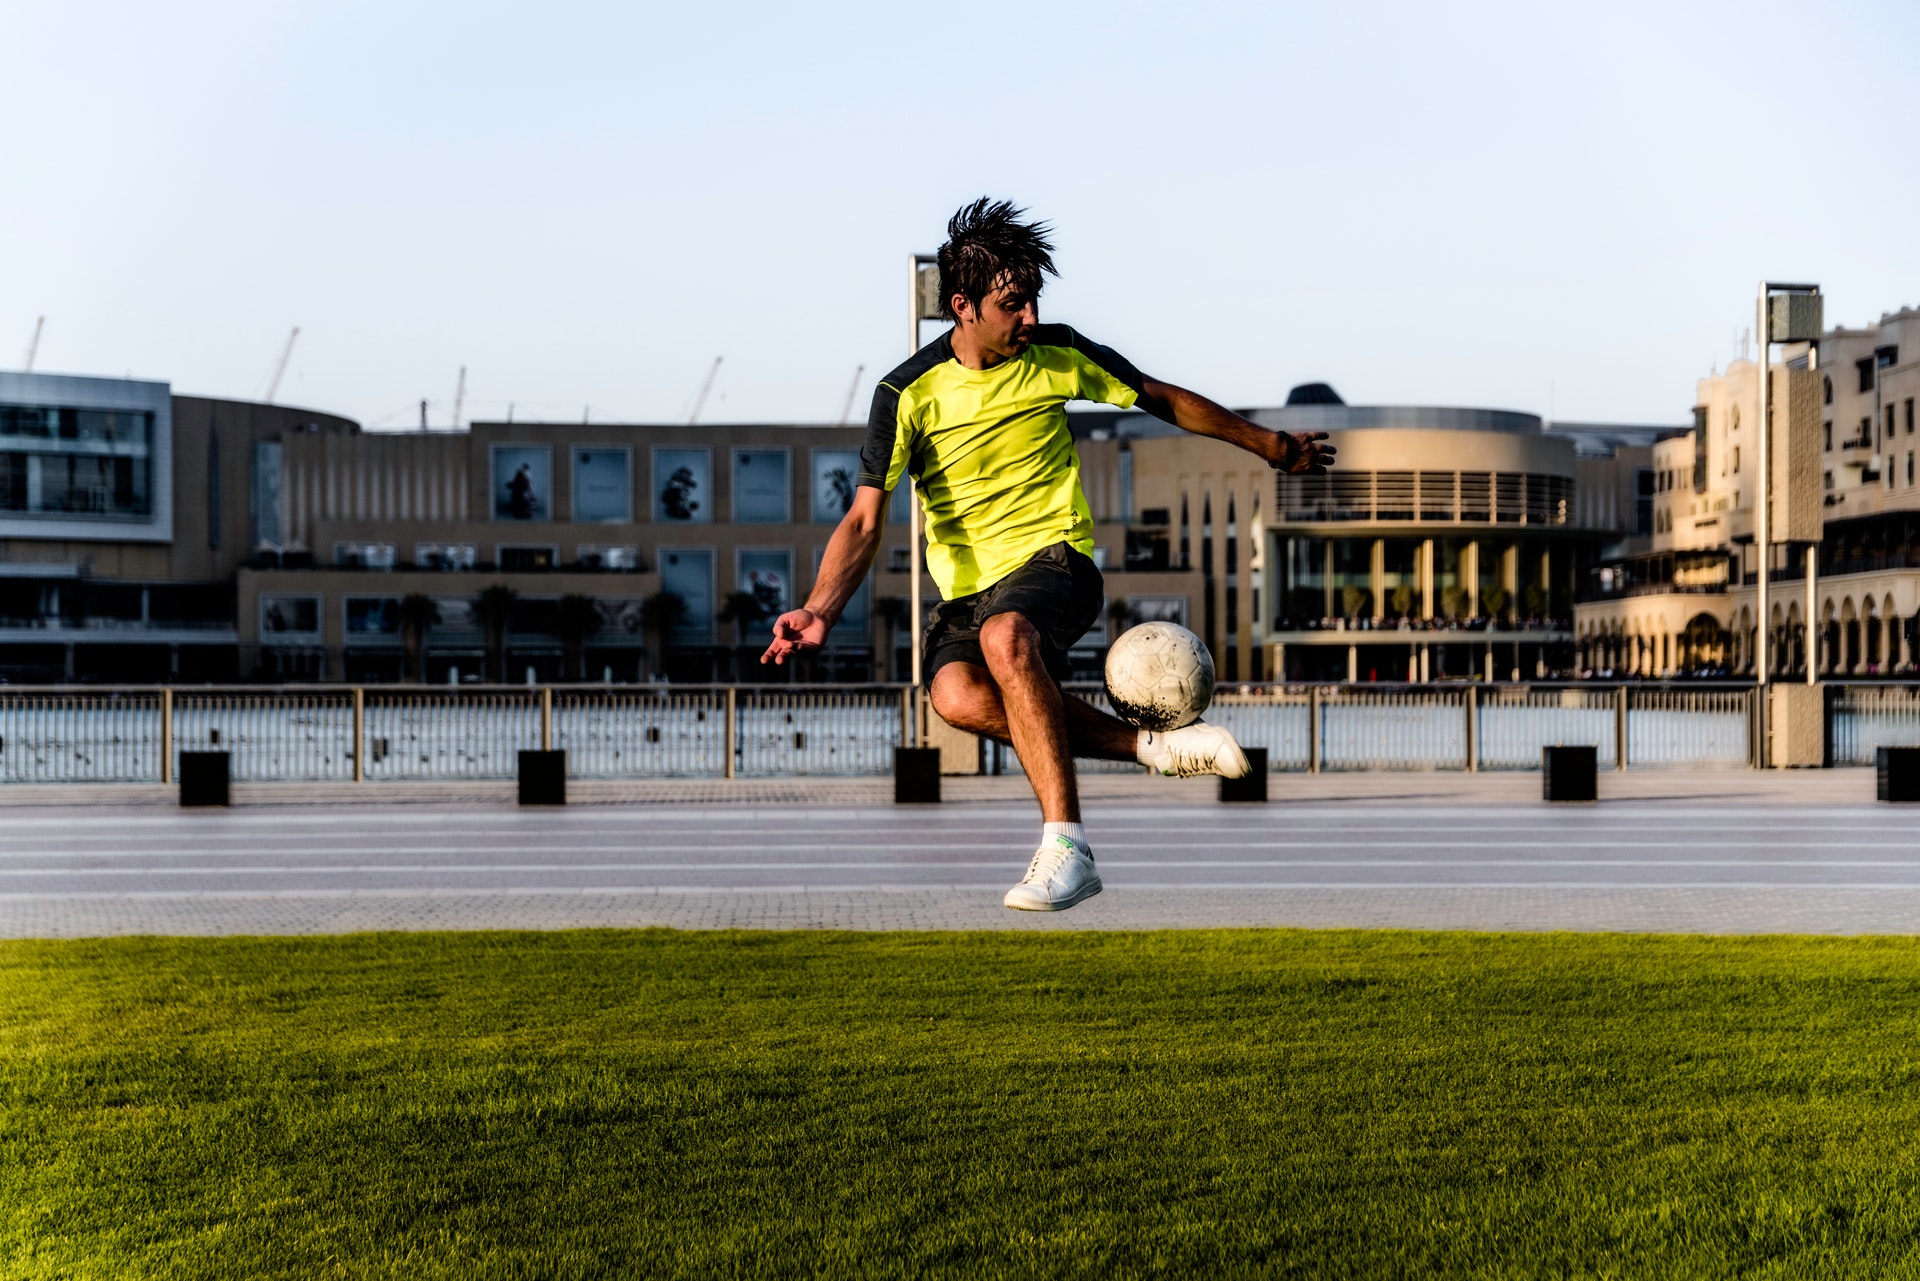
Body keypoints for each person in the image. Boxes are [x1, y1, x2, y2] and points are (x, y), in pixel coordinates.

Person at [762, 198, 1334, 911]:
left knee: (1008, 637)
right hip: (968, 592)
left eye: (1034, 299)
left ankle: (1067, 845)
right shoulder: (906, 393)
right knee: (956, 696)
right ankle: (1151, 748)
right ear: (962, 305)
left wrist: (1271, 446)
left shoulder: (1058, 353)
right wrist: (820, 608)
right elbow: (863, 519)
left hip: (1056, 561)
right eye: (1013, 304)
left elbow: (1163, 398)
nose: (1029, 317)